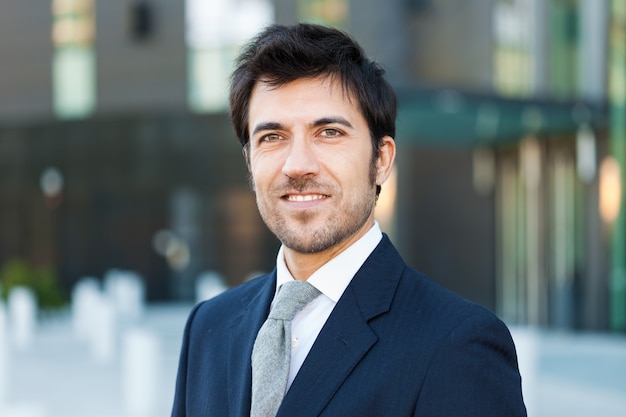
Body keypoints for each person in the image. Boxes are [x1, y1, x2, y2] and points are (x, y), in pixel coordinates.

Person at [171, 23, 526, 417]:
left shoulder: (458, 345)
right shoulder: (208, 328)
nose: (298, 165)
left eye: (328, 132)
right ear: (250, 163)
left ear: (381, 160)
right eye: (272, 137)